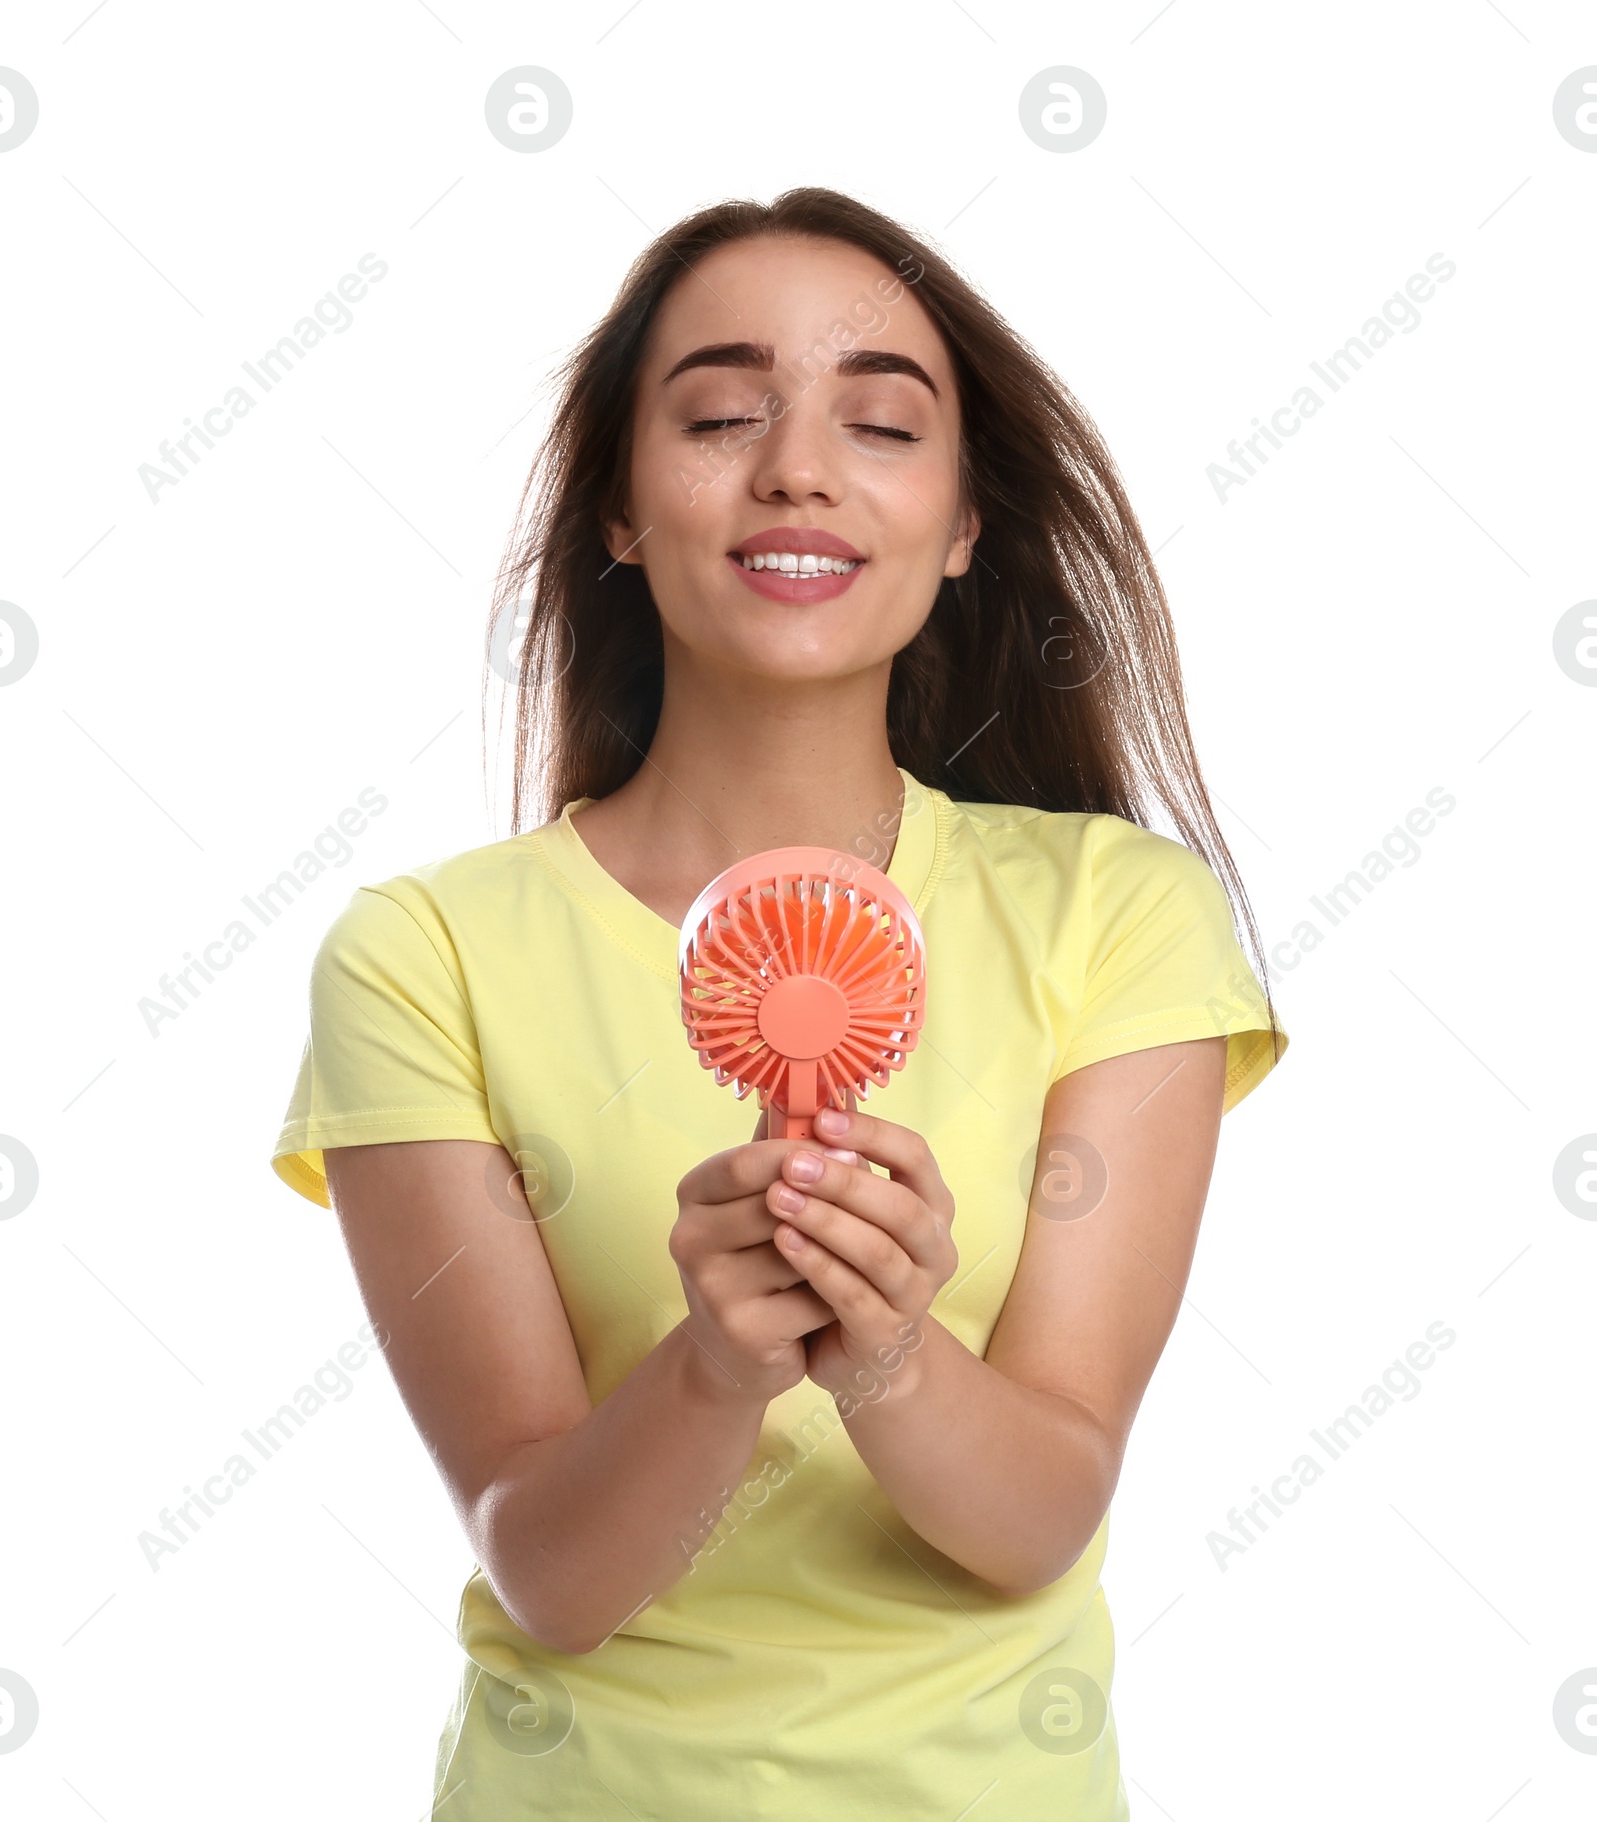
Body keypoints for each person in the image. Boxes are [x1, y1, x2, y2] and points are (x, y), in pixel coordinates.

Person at [270, 186, 1289, 1820]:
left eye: (880, 421)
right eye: (725, 413)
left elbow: (1040, 1516)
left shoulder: (1120, 915)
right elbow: (552, 1572)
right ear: (617, 504)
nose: (796, 465)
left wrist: (886, 1348)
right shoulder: (422, 953)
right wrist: (714, 1367)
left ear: (963, 523)